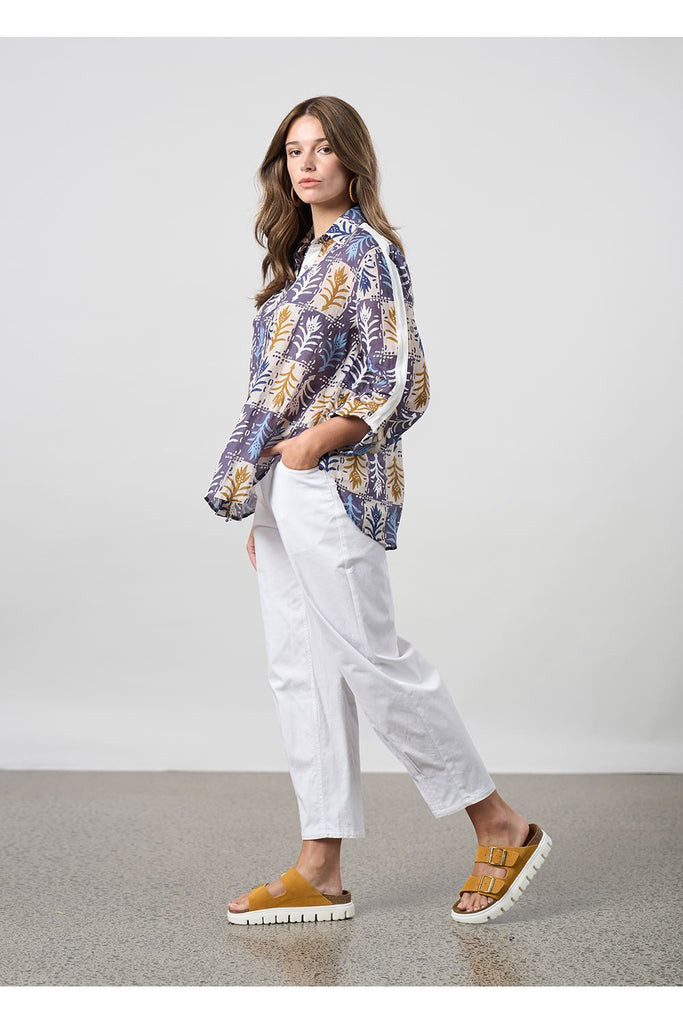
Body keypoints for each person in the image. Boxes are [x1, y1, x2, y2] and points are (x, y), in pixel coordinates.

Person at [204, 96, 552, 926]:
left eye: (323, 148)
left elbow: (399, 377)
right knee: (302, 669)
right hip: (286, 494)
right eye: (294, 151)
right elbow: (267, 397)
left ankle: (499, 822)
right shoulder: (301, 261)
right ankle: (318, 866)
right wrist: (263, 496)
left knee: (370, 658)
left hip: (334, 482)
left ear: (352, 160)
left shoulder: (367, 253)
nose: (307, 163)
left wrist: (315, 445)